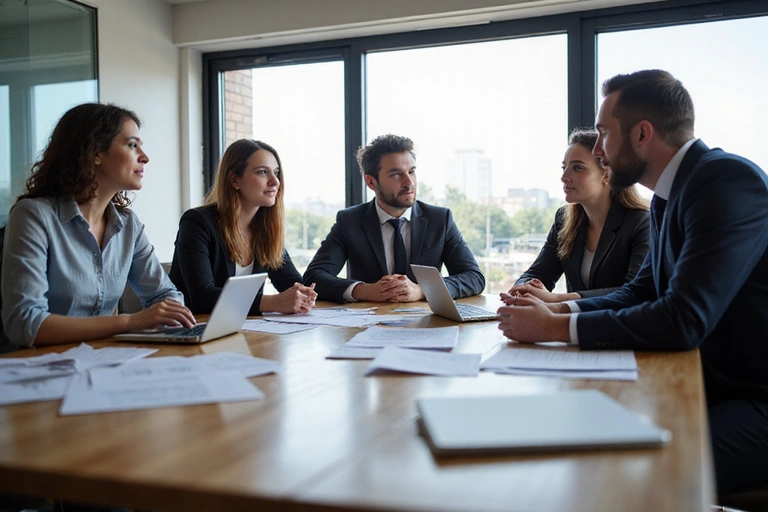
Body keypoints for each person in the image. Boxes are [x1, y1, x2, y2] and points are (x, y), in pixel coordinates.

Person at [497, 70, 768, 495]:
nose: (600, 148)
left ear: (643, 133)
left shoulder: (726, 181)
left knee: (627, 464)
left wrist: (554, 328)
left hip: (754, 400)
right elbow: (640, 291)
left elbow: (683, 319)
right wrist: (558, 309)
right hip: (708, 385)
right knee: (576, 427)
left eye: (604, 133)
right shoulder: (669, 194)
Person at [1, 103, 195, 351]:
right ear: (95, 152)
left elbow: (165, 296)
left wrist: (169, 316)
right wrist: (128, 322)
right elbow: (25, 323)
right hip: (37, 369)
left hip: (103, 362)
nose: (145, 157)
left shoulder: (128, 225)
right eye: (132, 145)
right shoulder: (33, 216)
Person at [303, 134, 485, 303]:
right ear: (371, 182)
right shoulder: (350, 221)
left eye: (411, 172)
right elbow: (314, 277)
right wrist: (366, 290)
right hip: (368, 326)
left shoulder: (440, 219)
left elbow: (473, 277)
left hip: (426, 327)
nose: (409, 183)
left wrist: (422, 290)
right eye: (396, 174)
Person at [169, 139, 316, 315]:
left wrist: (304, 293)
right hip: (195, 329)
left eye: (276, 173)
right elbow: (203, 298)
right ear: (234, 180)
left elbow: (290, 281)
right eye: (262, 172)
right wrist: (274, 302)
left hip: (245, 331)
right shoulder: (197, 223)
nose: (275, 181)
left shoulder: (265, 228)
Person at [507, 128, 650, 302]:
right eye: (564, 167)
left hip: (620, 327)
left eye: (577, 168)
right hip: (573, 325)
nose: (564, 176)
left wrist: (560, 300)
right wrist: (524, 289)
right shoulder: (564, 219)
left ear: (606, 175)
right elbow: (539, 272)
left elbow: (634, 292)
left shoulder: (641, 223)